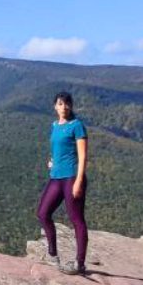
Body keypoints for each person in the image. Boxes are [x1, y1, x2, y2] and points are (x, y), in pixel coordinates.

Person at [36, 91, 89, 275]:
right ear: (55, 106)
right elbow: (57, 148)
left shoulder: (77, 126)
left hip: (72, 177)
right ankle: (53, 255)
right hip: (56, 176)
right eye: (60, 104)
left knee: (76, 219)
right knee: (43, 213)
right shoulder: (55, 125)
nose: (63, 107)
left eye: (67, 104)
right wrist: (52, 161)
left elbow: (82, 156)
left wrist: (79, 181)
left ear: (71, 106)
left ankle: (80, 264)